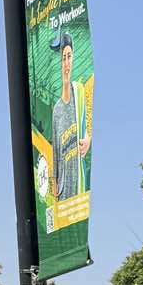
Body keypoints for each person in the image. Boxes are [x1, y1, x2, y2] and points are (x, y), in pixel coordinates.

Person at [50, 30, 90, 203]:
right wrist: (55, 184)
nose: (67, 63)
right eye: (63, 58)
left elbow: (85, 128)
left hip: (80, 185)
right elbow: (55, 154)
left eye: (69, 56)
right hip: (64, 191)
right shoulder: (57, 111)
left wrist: (88, 139)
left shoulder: (79, 92)